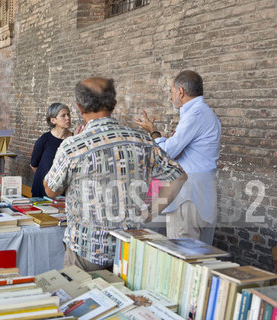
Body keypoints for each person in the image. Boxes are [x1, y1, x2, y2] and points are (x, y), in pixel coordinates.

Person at [43, 77, 187, 272]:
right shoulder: (141, 140)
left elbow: (51, 190)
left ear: (79, 107)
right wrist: (149, 212)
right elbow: (178, 176)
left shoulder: (73, 146)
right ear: (114, 104)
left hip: (87, 250)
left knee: (81, 300)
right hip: (129, 250)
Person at [134, 70, 221, 245]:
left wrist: (153, 133)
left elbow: (167, 153)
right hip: (202, 197)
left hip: (188, 200)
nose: (171, 97)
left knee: (182, 259)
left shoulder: (195, 115)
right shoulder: (206, 114)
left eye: (171, 92)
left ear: (180, 91)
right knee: (200, 261)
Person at [30, 103, 72, 197]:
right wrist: (46, 178)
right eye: (63, 115)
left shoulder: (73, 140)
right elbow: (34, 165)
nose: (68, 118)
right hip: (41, 190)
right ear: (53, 120)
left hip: (63, 192)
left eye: (68, 114)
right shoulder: (44, 139)